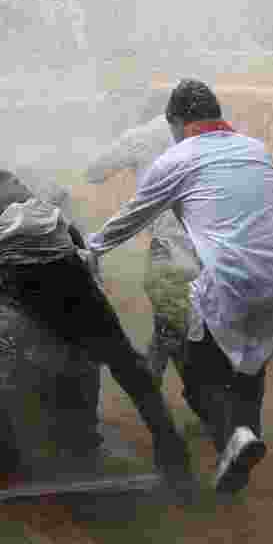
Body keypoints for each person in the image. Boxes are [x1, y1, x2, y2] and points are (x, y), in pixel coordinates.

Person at [0, 155, 196, 492]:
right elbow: (52, 220)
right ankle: (167, 449)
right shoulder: (0, 177)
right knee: (120, 359)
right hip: (63, 259)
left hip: (24, 271)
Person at [85, 79, 273, 494]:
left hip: (223, 280)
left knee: (201, 376)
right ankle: (244, 439)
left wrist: (93, 247)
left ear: (175, 123)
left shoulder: (177, 157)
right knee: (250, 364)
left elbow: (136, 213)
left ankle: (232, 440)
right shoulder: (259, 151)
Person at [84, 93, 201, 382]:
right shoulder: (204, 137)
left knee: (172, 324)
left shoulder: (139, 136)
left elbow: (94, 172)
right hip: (213, 243)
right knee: (176, 323)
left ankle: (200, 401)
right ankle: (155, 378)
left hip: (171, 246)